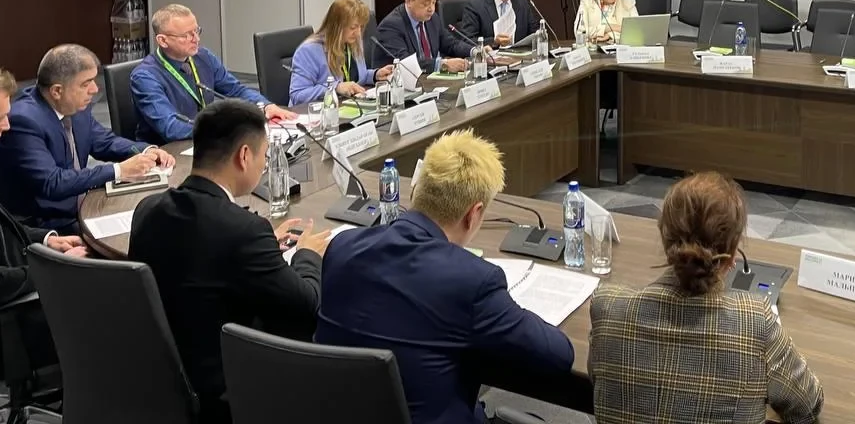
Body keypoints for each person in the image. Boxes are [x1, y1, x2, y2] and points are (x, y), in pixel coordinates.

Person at [317, 129, 574, 424]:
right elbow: (559, 356)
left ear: (415, 190)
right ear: (473, 214)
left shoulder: (342, 247)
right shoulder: (473, 282)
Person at [129, 100, 332, 424]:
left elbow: (202, 254)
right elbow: (307, 306)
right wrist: (307, 253)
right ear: (244, 156)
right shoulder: (244, 231)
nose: (264, 165)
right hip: (226, 391)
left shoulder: (148, 209)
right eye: (264, 156)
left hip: (158, 381)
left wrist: (263, 247)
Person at [589, 171, 824, 424]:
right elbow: (807, 407)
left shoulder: (606, 306)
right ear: (732, 255)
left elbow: (598, 381)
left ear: (665, 239)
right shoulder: (756, 321)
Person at [0, 65, 86, 375]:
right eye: (0, 118)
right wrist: (56, 268)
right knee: (116, 307)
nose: (7, 126)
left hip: (8, 292)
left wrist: (46, 240)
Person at [0, 44, 175, 234]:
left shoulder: (75, 106)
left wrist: (146, 151)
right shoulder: (23, 121)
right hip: (42, 225)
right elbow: (52, 182)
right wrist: (119, 170)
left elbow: (104, 142)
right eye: (85, 83)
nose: (95, 89)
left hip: (78, 203)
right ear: (57, 91)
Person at [131, 3, 298, 144]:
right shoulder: (145, 77)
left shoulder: (203, 57)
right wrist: (221, 127)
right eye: (186, 35)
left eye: (196, 31)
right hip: (167, 154)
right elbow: (170, 127)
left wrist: (265, 106)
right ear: (163, 40)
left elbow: (236, 90)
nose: (196, 39)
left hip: (207, 142)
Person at [288, 0, 394, 106]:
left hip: (347, 107)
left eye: (361, 27)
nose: (358, 33)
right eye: (353, 27)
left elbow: (354, 79)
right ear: (337, 26)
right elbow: (297, 95)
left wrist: (375, 75)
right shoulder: (309, 51)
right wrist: (335, 87)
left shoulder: (352, 42)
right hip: (315, 113)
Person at [374, 0, 475, 73]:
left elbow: (451, 44)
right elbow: (405, 63)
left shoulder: (432, 18)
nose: (431, 9)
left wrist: (474, 51)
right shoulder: (391, 25)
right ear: (409, 2)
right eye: (425, 4)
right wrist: (443, 65)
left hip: (429, 78)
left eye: (433, 2)